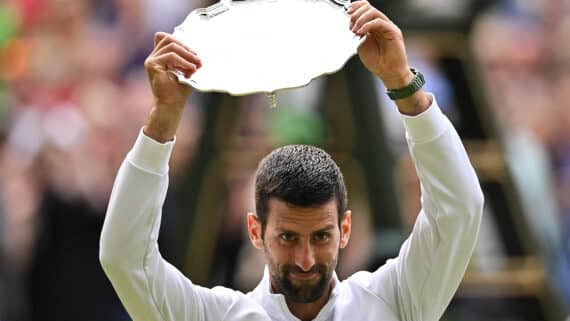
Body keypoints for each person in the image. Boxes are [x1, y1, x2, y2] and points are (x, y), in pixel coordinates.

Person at [99, 1, 484, 321]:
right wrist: (163, 120)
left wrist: (404, 84)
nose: (305, 259)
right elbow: (123, 258)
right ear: (255, 230)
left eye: (321, 236)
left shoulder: (394, 302)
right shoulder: (215, 315)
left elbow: (459, 210)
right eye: (287, 237)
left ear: (344, 229)